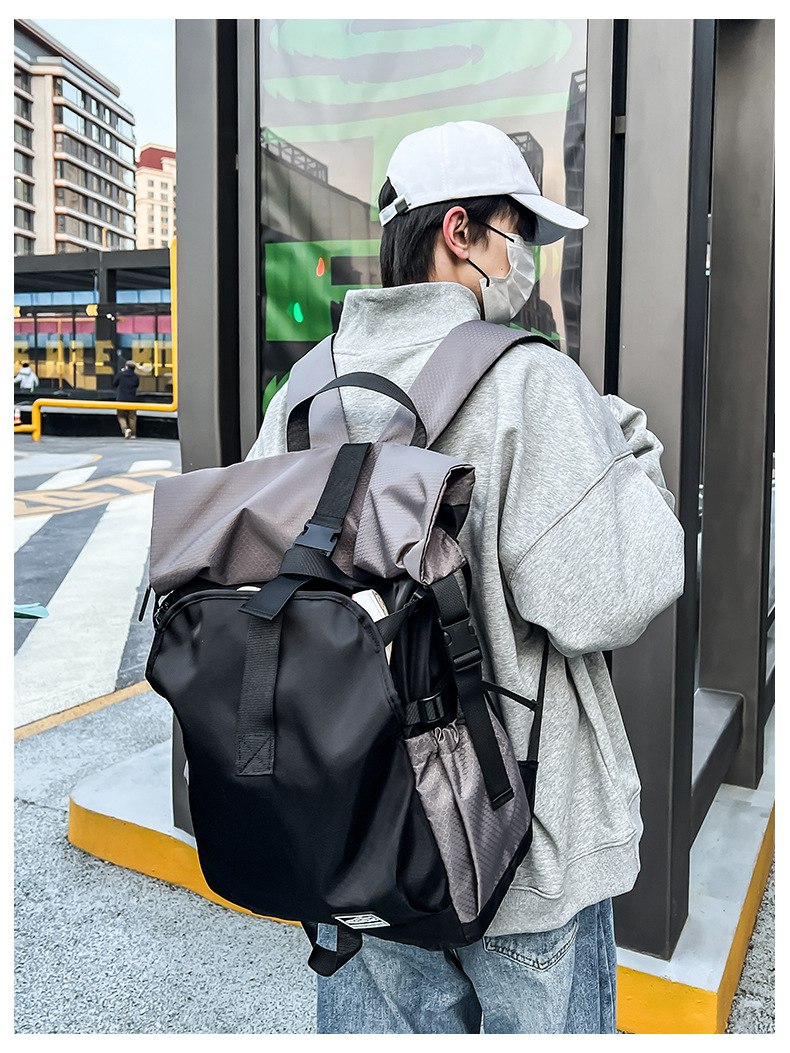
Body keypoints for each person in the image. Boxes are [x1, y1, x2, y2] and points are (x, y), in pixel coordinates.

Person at [245, 120, 684, 1034]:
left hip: (357, 838)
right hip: (518, 851)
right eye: (516, 233)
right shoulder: (529, 383)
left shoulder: (307, 392)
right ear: (460, 231)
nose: (524, 260)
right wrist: (632, 457)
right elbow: (613, 596)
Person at [112, 358, 139, 439]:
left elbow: (115, 383)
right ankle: (133, 434)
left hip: (121, 399)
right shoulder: (136, 376)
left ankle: (126, 429)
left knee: (121, 416)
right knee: (132, 417)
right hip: (132, 399)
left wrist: (121, 372)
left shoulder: (121, 374)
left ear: (126, 366)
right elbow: (136, 385)